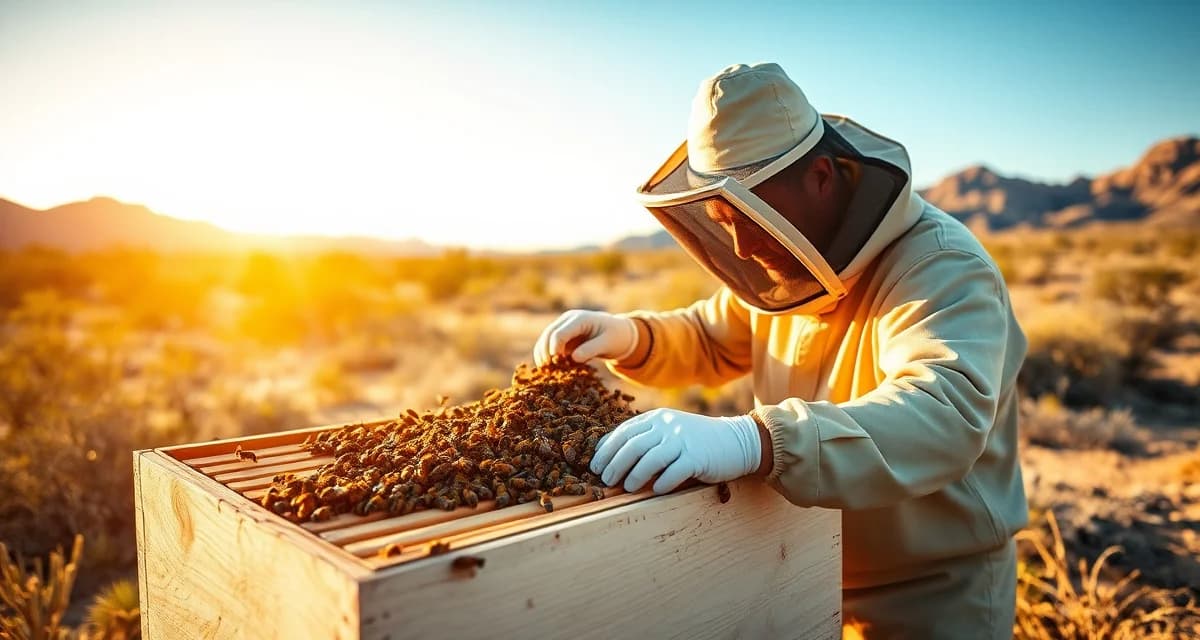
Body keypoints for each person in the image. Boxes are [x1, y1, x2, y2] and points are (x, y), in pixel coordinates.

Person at [532, 62, 1028, 639]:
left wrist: (759, 440)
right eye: (724, 220)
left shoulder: (941, 267)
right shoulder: (788, 263)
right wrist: (632, 336)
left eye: (754, 215)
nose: (741, 244)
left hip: (931, 590)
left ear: (820, 175)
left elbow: (942, 413)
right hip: (807, 566)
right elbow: (709, 335)